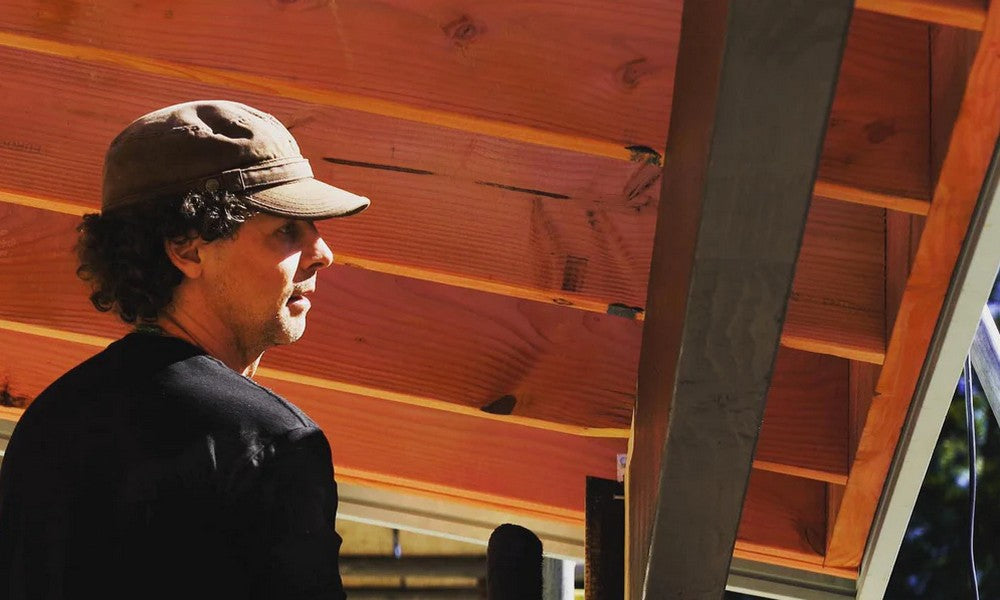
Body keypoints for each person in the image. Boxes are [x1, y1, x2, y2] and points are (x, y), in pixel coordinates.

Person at [0, 100, 369, 599]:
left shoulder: (49, 422)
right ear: (188, 248)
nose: (323, 253)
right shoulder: (269, 442)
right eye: (287, 229)